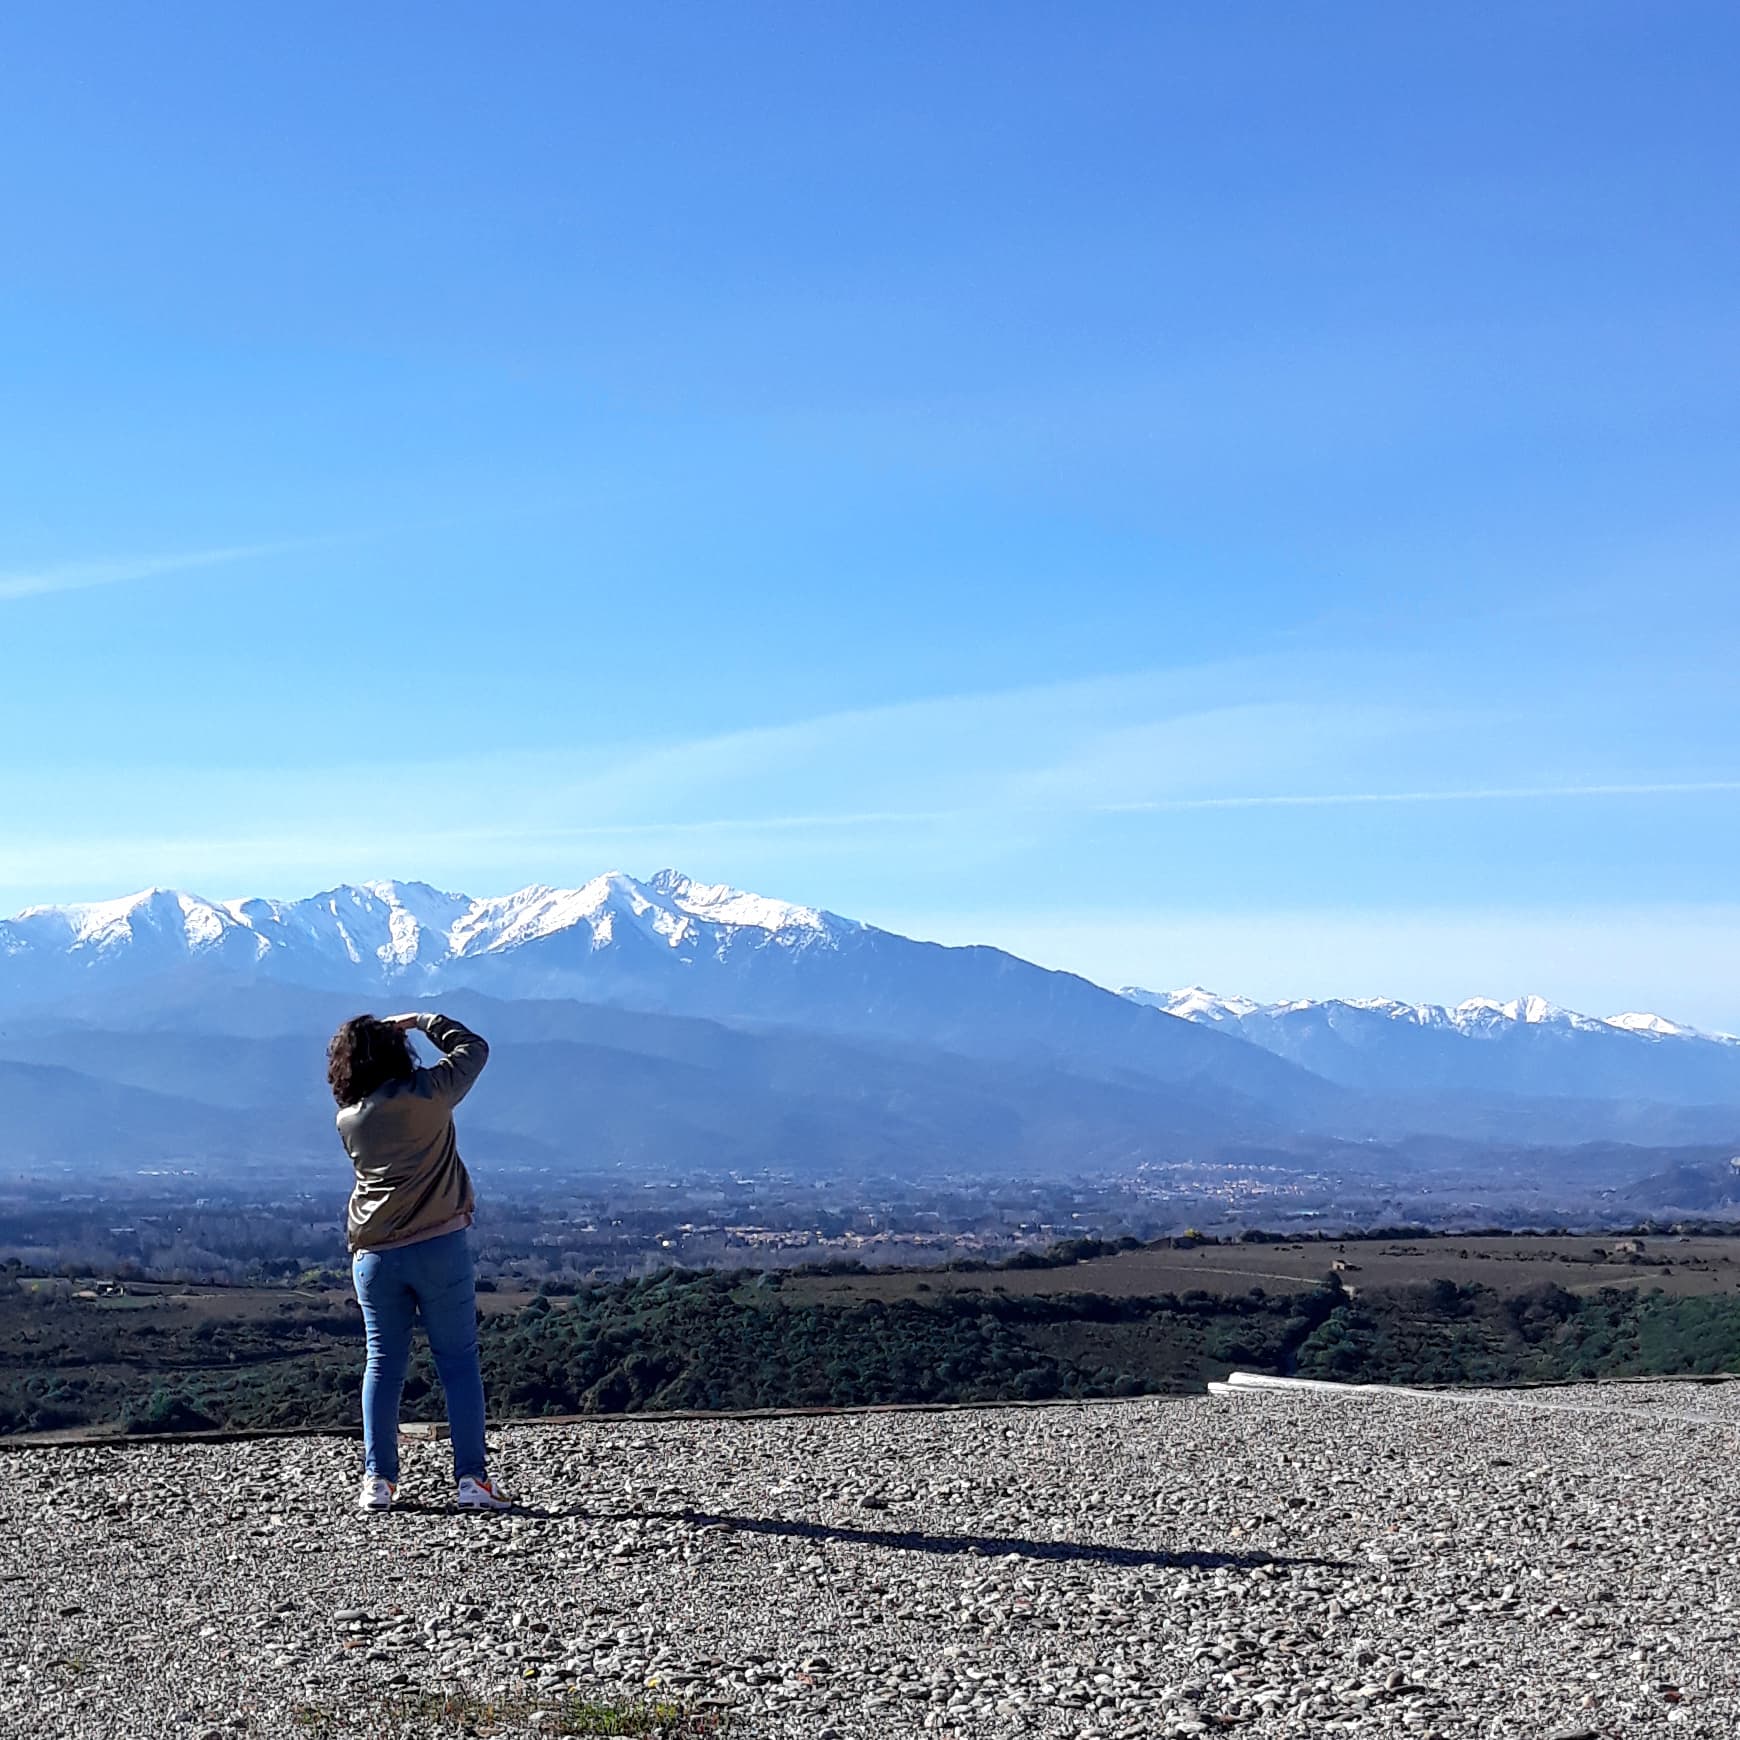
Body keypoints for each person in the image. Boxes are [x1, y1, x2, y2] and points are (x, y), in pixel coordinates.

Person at [326, 1009, 511, 1514]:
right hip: (439, 1245)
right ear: (396, 1051)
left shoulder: (350, 1121)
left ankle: (377, 1481)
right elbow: (474, 1049)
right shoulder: (430, 1094)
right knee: (457, 1363)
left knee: (382, 1365)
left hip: (375, 1255)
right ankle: (472, 1479)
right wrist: (425, 1020)